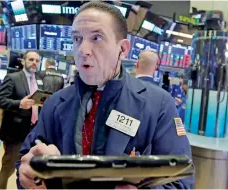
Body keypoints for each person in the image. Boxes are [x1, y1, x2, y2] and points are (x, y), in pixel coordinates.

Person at [16, 2, 194, 189]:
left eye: (97, 38)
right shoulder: (55, 103)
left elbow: (180, 181)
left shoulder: (159, 104)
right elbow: (24, 161)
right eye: (77, 39)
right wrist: (28, 176)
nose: (83, 50)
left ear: (123, 49)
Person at [0, 51, 44, 189]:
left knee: (30, 167)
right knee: (9, 166)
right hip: (15, 131)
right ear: (23, 61)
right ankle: (0, 187)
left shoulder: (39, 79)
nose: (34, 62)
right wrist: (19, 104)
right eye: (31, 59)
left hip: (34, 130)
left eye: (37, 60)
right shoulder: (13, 78)